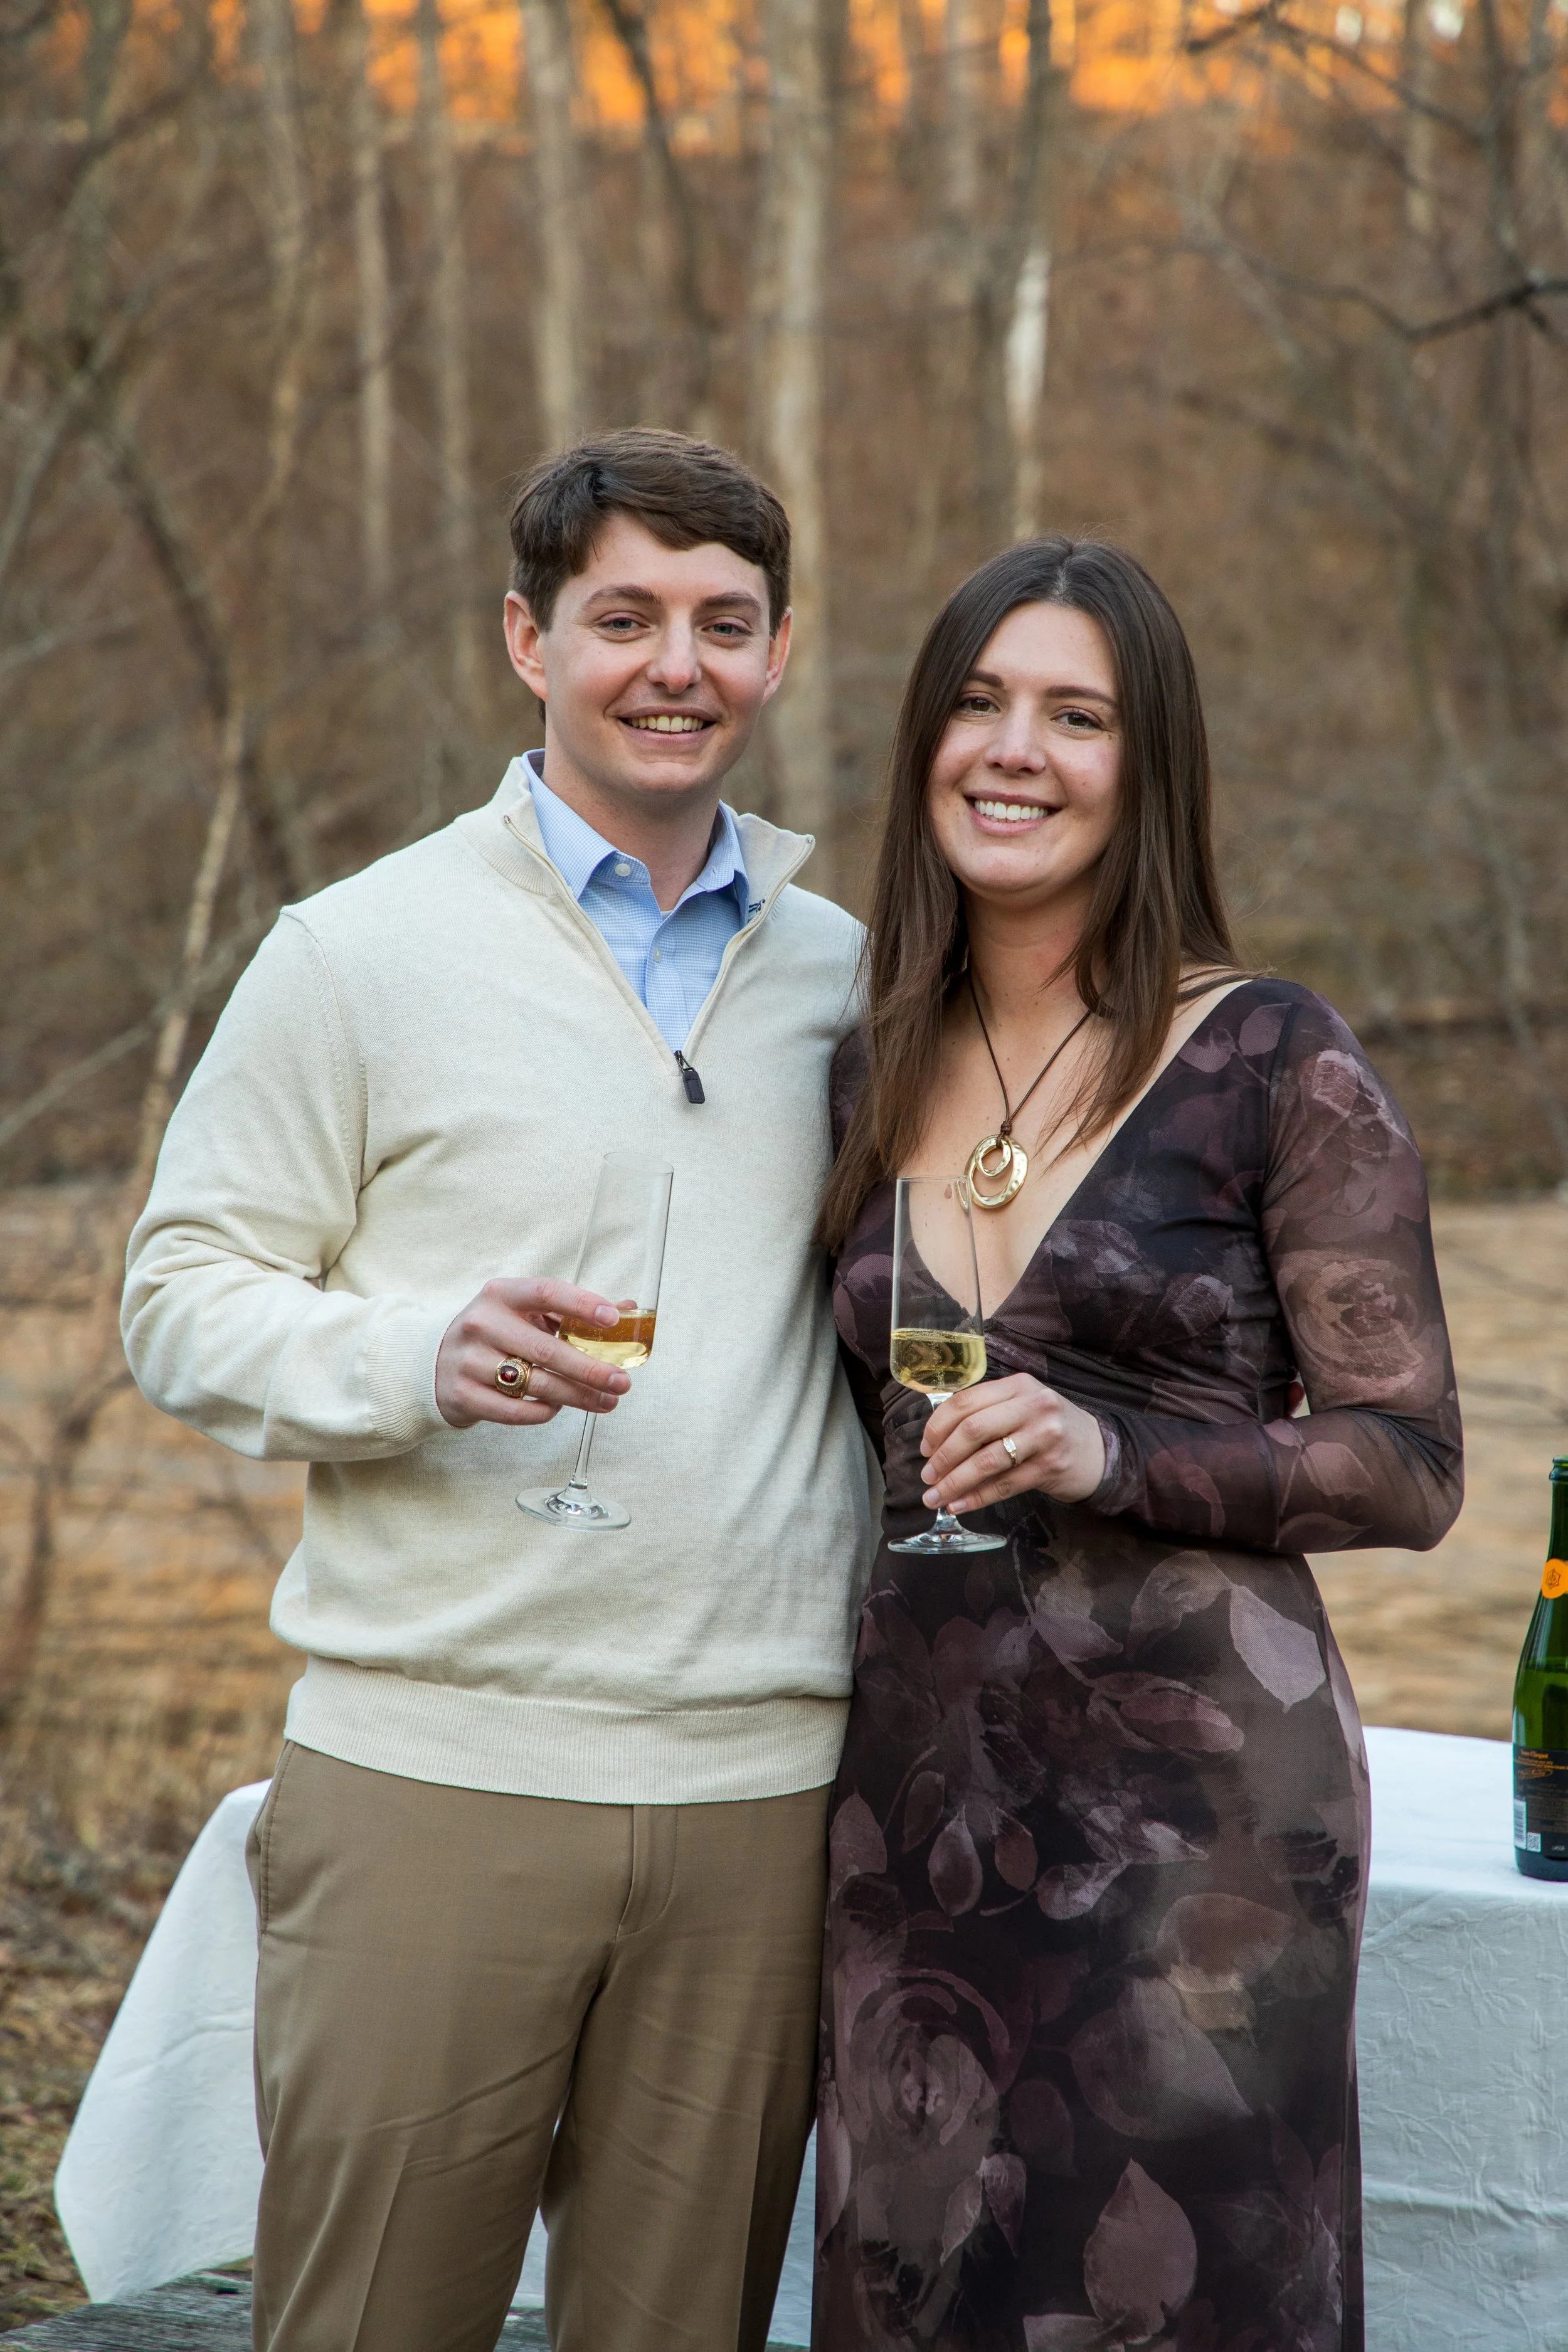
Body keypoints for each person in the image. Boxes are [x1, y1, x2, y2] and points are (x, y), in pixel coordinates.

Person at [121, 428, 878, 2352]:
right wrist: (409, 1356)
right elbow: (179, 1296)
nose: (674, 664)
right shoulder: (359, 952)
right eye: (622, 617)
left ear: (777, 654)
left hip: (759, 1792)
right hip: (436, 1769)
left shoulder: (851, 981)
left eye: (723, 621)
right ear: (525, 642)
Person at [812, 538, 1462, 2352]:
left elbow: (1407, 1459)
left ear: (1142, 762)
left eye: (1073, 715)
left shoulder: (1270, 1059)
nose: (1011, 749)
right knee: (917, 2272)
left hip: (1198, 1845)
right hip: (915, 1820)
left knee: (1167, 2299)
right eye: (975, 700)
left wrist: (1117, 1453)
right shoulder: (863, 1060)